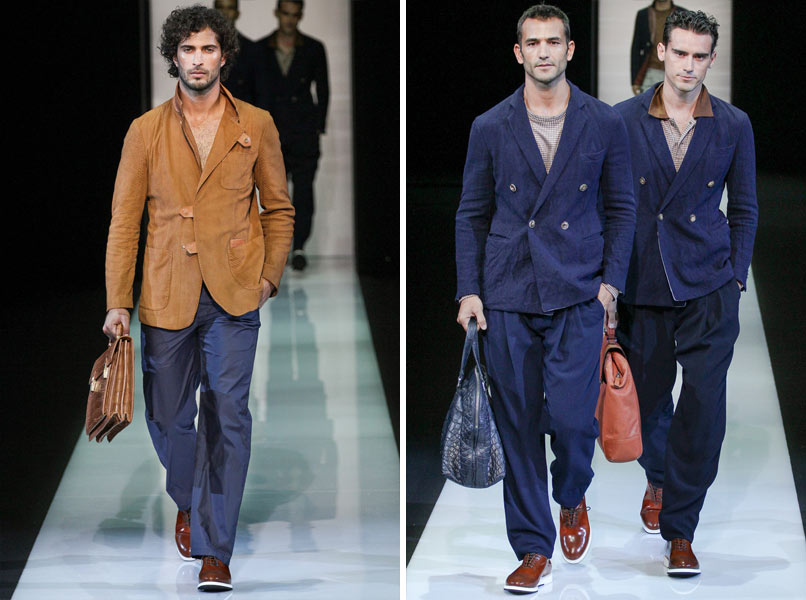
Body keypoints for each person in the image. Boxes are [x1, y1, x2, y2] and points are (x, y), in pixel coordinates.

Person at [103, 6, 294, 592]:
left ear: (224, 55)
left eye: (208, 49)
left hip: (234, 294)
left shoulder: (256, 123)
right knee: (166, 415)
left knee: (228, 413)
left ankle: (215, 549)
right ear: (173, 57)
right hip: (167, 291)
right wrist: (117, 301)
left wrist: (267, 278)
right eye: (188, 50)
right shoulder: (145, 131)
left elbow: (278, 208)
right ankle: (190, 495)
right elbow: (124, 222)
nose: (198, 60)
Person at [454, 4, 636, 594]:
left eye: (553, 42)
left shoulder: (603, 122)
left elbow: (622, 208)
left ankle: (573, 493)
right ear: (518, 52)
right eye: (533, 43)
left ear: (569, 49)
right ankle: (533, 547)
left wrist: (611, 284)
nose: (543, 52)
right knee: (518, 424)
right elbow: (471, 213)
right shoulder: (490, 125)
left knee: (572, 421)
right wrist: (469, 290)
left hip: (579, 289)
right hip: (509, 289)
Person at [614, 9, 757, 577]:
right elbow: (607, 204)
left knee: (703, 406)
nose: (689, 66)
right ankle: (659, 477)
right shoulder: (621, 120)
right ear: (661, 52)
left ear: (712, 59)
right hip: (643, 281)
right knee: (647, 402)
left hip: (708, 283)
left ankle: (681, 529)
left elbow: (744, 207)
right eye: (680, 53)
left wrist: (737, 276)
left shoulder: (733, 124)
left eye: (700, 56)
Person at [252, 0, 329, 271]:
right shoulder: (260, 49)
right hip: (272, 133)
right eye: (286, 13)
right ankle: (277, 249)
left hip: (303, 133)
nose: (289, 19)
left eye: (294, 15)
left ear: (300, 16)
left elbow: (323, 89)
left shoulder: (314, 49)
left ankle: (299, 247)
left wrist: (318, 126)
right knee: (274, 195)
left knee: (304, 192)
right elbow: (254, 90)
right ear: (277, 13)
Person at [630, 1, 686, 95]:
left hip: (676, 72)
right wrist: (635, 81)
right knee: (649, 103)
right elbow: (636, 48)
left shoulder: (683, 14)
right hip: (650, 72)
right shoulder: (643, 14)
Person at [214, 0, 256, 103]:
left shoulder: (251, 50)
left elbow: (258, 92)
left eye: (230, 8)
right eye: (221, 7)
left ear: (237, 13)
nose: (224, 13)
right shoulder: (201, 46)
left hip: (241, 110)